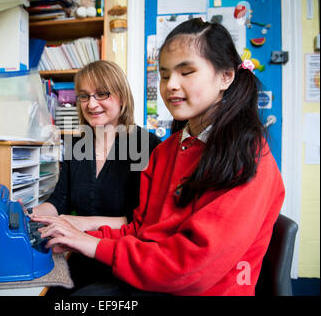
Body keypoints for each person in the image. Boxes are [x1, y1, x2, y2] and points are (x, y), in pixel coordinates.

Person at [32, 18, 285, 296]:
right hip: (152, 274)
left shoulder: (246, 158)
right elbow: (143, 230)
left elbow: (187, 267)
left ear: (226, 76)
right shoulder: (168, 150)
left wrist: (89, 240)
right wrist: (78, 237)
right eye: (164, 75)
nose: (171, 85)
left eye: (186, 72)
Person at [32, 60, 162, 294]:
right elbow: (60, 199)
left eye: (101, 94)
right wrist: (32, 215)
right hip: (78, 253)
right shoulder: (76, 144)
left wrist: (78, 223)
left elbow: (139, 221)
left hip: (122, 261)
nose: (91, 104)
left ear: (121, 97)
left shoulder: (146, 145)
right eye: (84, 96)